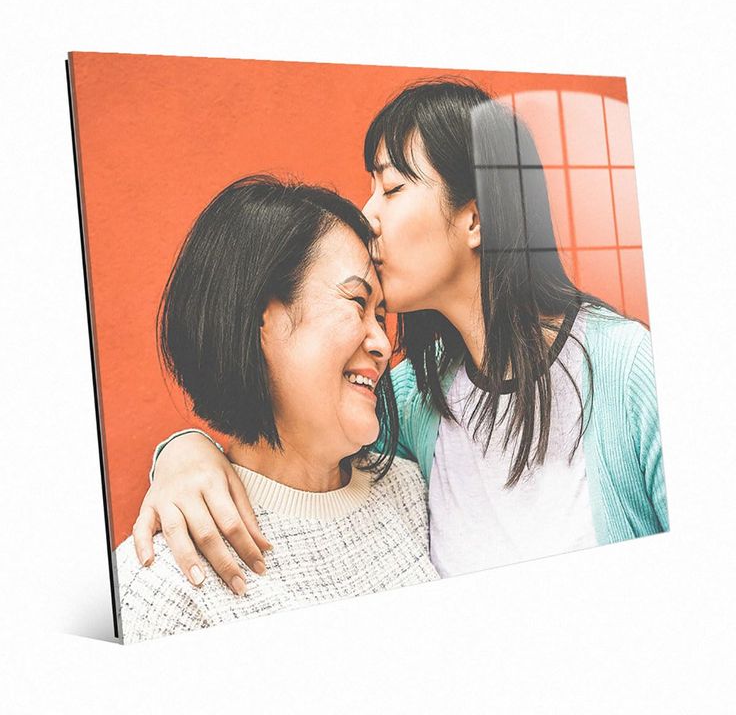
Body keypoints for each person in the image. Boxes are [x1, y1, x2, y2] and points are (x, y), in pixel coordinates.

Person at [134, 78, 668, 587]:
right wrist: (184, 453)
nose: (367, 216)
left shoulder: (628, 369)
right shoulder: (411, 398)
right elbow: (286, 442)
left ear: (476, 220)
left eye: (390, 187)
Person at [115, 176, 439, 643]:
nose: (383, 344)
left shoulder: (411, 492)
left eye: (382, 316)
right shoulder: (161, 584)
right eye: (357, 303)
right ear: (258, 319)